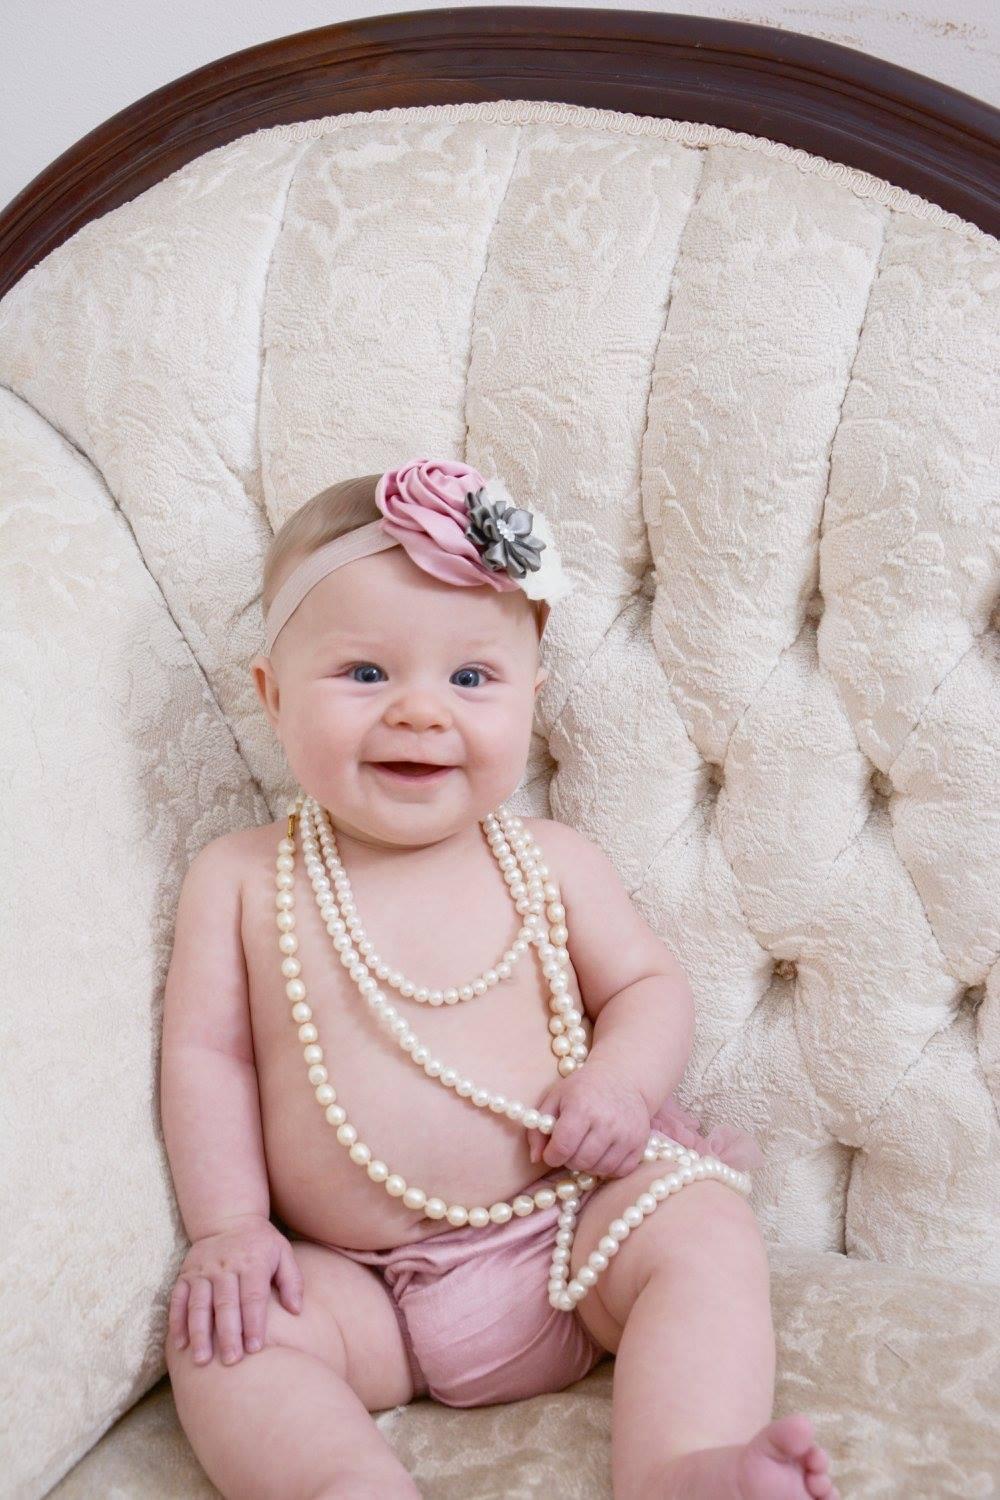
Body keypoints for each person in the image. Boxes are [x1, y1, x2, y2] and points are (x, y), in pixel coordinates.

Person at [160, 456, 838, 1499]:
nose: (420, 712)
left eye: (471, 679)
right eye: (365, 674)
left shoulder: (549, 861)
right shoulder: (243, 879)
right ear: (273, 695)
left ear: (531, 700)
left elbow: (649, 988)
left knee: (700, 1224)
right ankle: (343, 1484)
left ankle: (681, 1467)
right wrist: (231, 1229)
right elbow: (211, 1059)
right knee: (224, 1338)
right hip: (360, 1289)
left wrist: (618, 1086)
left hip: (566, 1245)